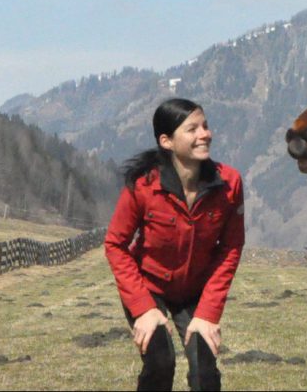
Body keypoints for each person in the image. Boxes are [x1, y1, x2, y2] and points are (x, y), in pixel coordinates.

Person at [105, 98, 245, 391]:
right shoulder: (143, 185)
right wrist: (143, 309)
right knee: (160, 361)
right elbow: (115, 245)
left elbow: (230, 249)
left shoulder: (229, 184)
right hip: (149, 286)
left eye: (205, 126)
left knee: (204, 372)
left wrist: (207, 313)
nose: (205, 134)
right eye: (192, 129)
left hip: (196, 290)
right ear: (166, 141)